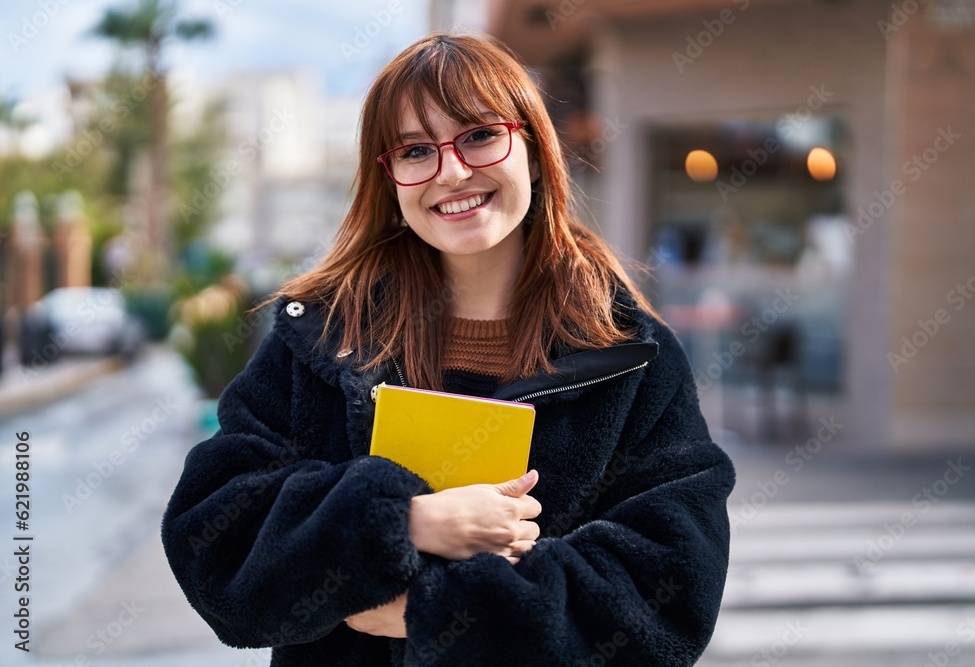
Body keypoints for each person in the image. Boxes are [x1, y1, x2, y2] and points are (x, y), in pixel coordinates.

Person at [161, 32, 735, 667]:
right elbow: (210, 540)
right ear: (391, 180)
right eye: (414, 150)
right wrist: (402, 522)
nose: (452, 172)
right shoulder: (323, 336)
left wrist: (427, 613)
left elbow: (668, 595)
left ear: (536, 151)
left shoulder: (631, 355)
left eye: (480, 135)